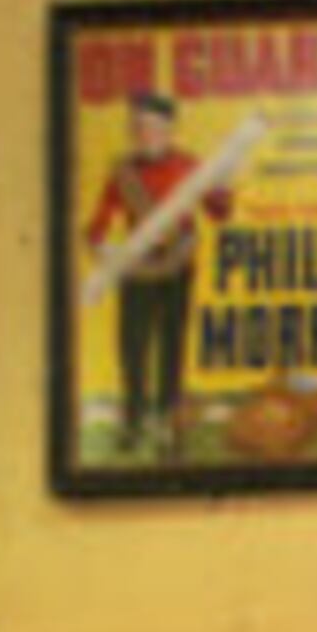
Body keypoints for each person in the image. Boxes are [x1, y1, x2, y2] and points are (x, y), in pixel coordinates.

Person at [83, 93, 229, 464]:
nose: (144, 133)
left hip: (177, 266)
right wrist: (105, 252)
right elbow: (97, 226)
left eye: (151, 126)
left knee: (172, 348)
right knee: (132, 348)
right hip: (138, 267)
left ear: (167, 128)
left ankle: (167, 425)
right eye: (138, 126)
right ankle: (133, 422)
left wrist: (221, 187)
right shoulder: (123, 172)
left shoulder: (188, 165)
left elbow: (218, 211)